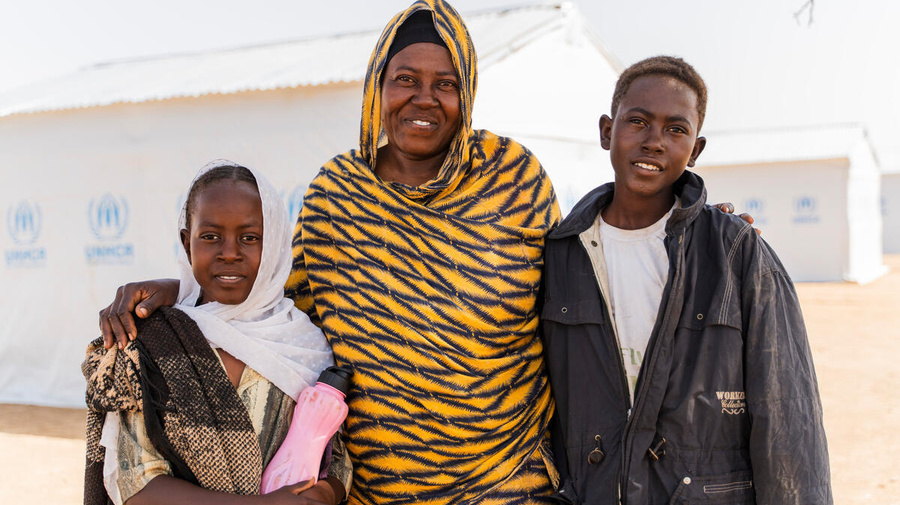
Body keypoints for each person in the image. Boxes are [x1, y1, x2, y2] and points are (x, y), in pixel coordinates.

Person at [97, 3, 751, 504]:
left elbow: (590, 277)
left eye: (445, 83)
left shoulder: (514, 179)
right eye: (405, 78)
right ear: (376, 87)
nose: (424, 98)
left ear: (466, 92)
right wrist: (181, 289)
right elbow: (269, 302)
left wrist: (684, 227)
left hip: (509, 486)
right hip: (377, 492)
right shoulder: (334, 195)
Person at [539, 56, 832, 504]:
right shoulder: (559, 255)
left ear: (695, 150)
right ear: (606, 131)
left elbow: (788, 422)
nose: (655, 142)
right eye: (637, 122)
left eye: (676, 129)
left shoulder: (736, 251)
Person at [83, 161, 351, 505]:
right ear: (186, 242)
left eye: (250, 238)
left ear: (275, 246)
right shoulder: (153, 343)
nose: (229, 253)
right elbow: (136, 482)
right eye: (210, 237)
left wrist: (321, 494)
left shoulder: (304, 344)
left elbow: (336, 460)